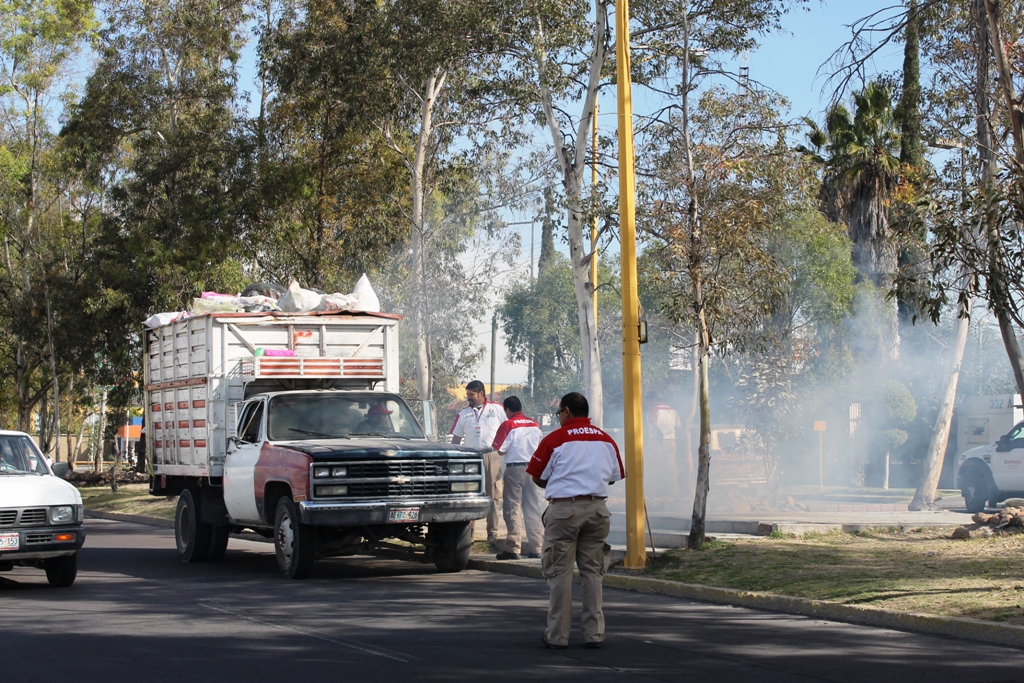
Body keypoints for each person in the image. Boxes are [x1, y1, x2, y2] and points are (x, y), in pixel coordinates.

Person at [527, 392, 624, 650]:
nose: (558, 417)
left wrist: (561, 482)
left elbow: (537, 476)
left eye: (559, 412)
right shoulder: (606, 439)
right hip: (598, 510)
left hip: (564, 511)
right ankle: (594, 634)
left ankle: (557, 635)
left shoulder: (555, 439)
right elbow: (614, 477)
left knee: (560, 573)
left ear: (567, 411)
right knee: (593, 573)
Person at [450, 380, 507, 547]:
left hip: (492, 455)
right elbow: (456, 438)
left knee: (493, 495)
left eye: (471, 395)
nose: (468, 398)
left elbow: (507, 429)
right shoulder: (463, 413)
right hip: (470, 459)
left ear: (481, 393)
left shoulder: (497, 409)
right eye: (467, 395)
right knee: (470, 495)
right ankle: (469, 534)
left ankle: (492, 533)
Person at [491, 396, 545, 561]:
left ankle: (513, 547)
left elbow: (499, 450)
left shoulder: (508, 425)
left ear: (507, 410)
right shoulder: (535, 424)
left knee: (512, 507)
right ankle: (537, 547)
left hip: (515, 469)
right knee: (532, 507)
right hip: (533, 469)